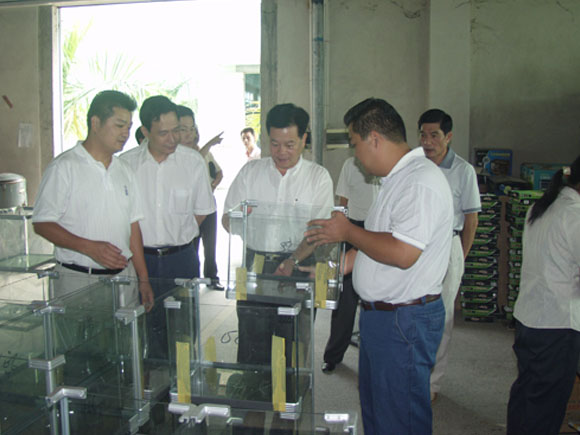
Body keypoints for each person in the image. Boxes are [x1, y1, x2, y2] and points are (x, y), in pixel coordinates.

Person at [305, 98, 453, 435]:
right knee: (378, 413)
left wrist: (347, 231)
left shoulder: (419, 182)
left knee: (399, 419)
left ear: (374, 139)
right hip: (383, 317)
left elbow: (402, 253)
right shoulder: (395, 180)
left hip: (403, 320)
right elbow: (377, 244)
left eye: (355, 143)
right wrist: (332, 269)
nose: (355, 155)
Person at [222, 103, 333, 413]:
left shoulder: (318, 177)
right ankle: (251, 417)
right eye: (274, 143)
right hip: (255, 264)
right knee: (252, 347)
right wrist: (245, 219)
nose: (281, 152)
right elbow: (227, 219)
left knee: (292, 349)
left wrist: (293, 259)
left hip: (298, 265)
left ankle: (288, 416)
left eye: (290, 144)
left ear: (304, 139)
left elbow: (319, 230)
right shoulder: (251, 172)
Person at [32, 90, 154, 310]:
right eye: (119, 125)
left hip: (124, 279)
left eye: (128, 127)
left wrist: (143, 279)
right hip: (79, 279)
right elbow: (42, 223)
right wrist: (88, 247)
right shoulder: (64, 167)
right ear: (95, 123)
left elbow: (133, 226)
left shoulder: (124, 169)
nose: (126, 133)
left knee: (124, 333)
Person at [120, 95, 215, 359]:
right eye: (164, 133)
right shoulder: (126, 165)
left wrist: (179, 235)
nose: (173, 139)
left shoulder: (192, 162)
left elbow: (202, 210)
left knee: (183, 329)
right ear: (145, 132)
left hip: (181, 259)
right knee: (145, 328)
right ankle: (151, 378)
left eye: (177, 130)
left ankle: (182, 378)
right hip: (141, 259)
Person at [506, 156, 580, 435]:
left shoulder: (542, 207)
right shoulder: (574, 216)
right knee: (546, 406)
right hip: (558, 324)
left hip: (530, 318)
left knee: (527, 395)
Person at [418, 109, 481, 401]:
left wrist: (460, 258)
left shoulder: (463, 171)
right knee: (414, 311)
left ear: (449, 137)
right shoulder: (415, 165)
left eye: (434, 135)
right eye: (423, 134)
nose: (427, 141)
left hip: (449, 245)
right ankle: (415, 372)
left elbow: (471, 220)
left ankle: (432, 383)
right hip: (416, 245)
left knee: (442, 317)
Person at [321, 156, 380, 373]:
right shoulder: (350, 164)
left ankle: (374, 358)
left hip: (380, 230)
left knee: (376, 297)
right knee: (344, 298)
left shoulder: (386, 163)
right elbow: (342, 201)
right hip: (353, 227)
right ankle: (333, 356)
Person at [177, 104, 224, 290]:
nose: (189, 134)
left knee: (210, 245)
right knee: (192, 247)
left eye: (192, 129)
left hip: (208, 206)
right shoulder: (176, 158)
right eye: (184, 129)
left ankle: (212, 278)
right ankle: (193, 280)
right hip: (189, 211)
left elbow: (219, 172)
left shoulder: (203, 154)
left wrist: (212, 187)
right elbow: (196, 158)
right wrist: (210, 143)